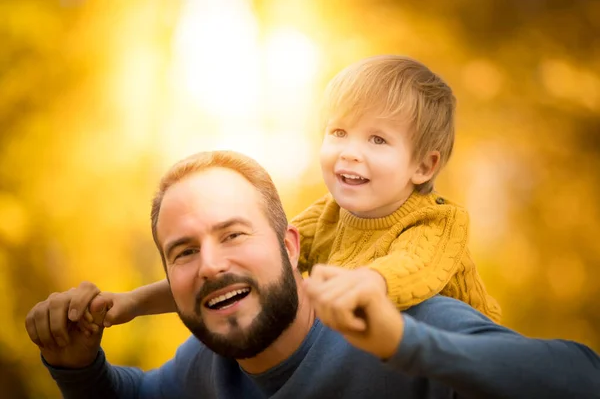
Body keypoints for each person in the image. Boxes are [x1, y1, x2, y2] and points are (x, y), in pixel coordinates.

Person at [25, 151, 600, 398]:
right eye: (183, 252)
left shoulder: (409, 327)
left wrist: (406, 345)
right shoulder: (205, 371)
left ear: (290, 245)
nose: (211, 264)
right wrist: (76, 365)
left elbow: (581, 379)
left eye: (233, 234)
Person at [85, 55, 501, 332]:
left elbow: (410, 270)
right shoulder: (326, 217)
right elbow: (251, 266)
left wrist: (361, 283)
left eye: (377, 140)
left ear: (423, 166)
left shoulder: (439, 222)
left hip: (468, 368)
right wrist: (135, 302)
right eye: (339, 132)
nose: (350, 153)